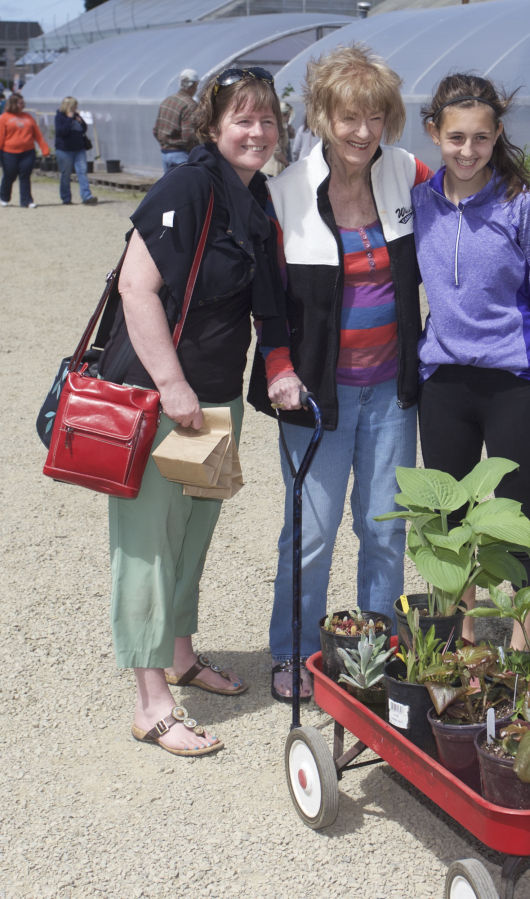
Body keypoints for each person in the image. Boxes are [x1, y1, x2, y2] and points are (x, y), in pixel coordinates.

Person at [248, 46, 530, 701]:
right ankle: (293, 651)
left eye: (375, 116)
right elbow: (265, 295)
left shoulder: (403, 175)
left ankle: (379, 647)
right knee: (311, 531)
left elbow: (485, 204)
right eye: (348, 116)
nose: (362, 130)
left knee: (386, 526)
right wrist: (277, 366)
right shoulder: (286, 193)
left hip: (397, 388)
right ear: (321, 117)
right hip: (322, 394)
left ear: (394, 122)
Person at [99, 66, 288, 755]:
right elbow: (135, 288)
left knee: (190, 536)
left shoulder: (254, 194)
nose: (257, 132)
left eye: (267, 120)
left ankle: (179, 653)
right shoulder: (187, 185)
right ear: (212, 128)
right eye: (242, 119)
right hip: (159, 397)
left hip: (215, 398)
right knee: (147, 545)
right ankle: (151, 702)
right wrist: (173, 386)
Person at [412, 74, 530, 649]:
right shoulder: (419, 202)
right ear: (434, 133)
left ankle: (529, 650)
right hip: (445, 385)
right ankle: (465, 641)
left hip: (515, 384)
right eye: (455, 137)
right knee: (449, 523)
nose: (467, 151)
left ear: (497, 134)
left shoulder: (520, 205)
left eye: (481, 138)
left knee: (520, 519)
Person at [0, 93, 49, 208]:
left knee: (25, 176)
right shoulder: (4, 117)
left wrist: (45, 149)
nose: (23, 104)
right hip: (9, 153)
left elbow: (37, 134)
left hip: (27, 152)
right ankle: (3, 197)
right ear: (14, 104)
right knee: (9, 175)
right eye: (21, 103)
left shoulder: (28, 117)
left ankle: (26, 201)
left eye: (23, 102)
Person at [153, 68, 200, 173]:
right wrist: (196, 154)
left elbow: (156, 130)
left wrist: (165, 144)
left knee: (170, 187)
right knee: (183, 187)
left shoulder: (167, 101)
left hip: (165, 153)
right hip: (181, 155)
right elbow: (189, 137)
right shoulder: (190, 105)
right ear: (195, 85)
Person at [54, 96, 97, 206]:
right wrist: (69, 119)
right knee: (66, 174)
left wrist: (81, 122)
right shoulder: (60, 116)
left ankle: (86, 196)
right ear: (69, 106)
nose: (76, 107)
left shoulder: (76, 115)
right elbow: (61, 132)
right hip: (64, 150)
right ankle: (66, 197)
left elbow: (83, 129)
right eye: (74, 106)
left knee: (82, 172)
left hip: (79, 149)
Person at [261, 100, 294, 176]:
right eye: (287, 115)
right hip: (271, 169)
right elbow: (276, 151)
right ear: (281, 115)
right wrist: (287, 164)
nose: (288, 118)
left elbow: (289, 138)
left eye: (289, 115)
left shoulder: (282, 127)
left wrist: (290, 130)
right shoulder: (276, 128)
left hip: (271, 168)